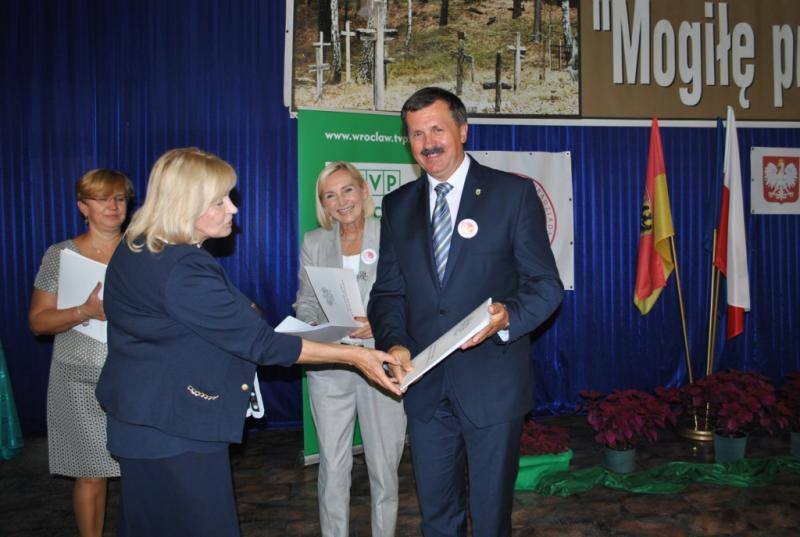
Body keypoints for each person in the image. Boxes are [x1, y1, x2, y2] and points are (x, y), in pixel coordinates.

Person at [94, 147, 401, 537]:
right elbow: (262, 343)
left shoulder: (135, 246)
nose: (233, 209)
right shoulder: (183, 267)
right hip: (178, 428)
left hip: (140, 420)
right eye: (220, 201)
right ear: (187, 204)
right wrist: (354, 357)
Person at [367, 87, 564, 537]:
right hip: (424, 387)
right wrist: (393, 342)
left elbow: (545, 286)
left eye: (437, 130)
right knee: (437, 519)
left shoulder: (512, 194)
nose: (428, 143)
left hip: (492, 386)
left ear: (462, 131)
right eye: (417, 134)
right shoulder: (397, 206)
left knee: (491, 519)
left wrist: (507, 316)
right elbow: (388, 293)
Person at [294, 162, 407, 537]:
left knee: (384, 467)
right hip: (331, 365)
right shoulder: (314, 242)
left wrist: (383, 322)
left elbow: (411, 295)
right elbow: (306, 301)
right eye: (330, 195)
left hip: (383, 364)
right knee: (332, 465)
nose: (341, 201)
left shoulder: (391, 235)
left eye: (347, 190)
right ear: (323, 204)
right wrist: (312, 325)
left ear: (363, 191)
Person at [28, 169, 134, 537]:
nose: (113, 206)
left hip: (137, 376)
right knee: (91, 474)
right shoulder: (60, 255)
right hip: (78, 378)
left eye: (119, 198)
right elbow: (38, 322)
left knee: (144, 470)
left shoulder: (143, 251)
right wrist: (83, 311)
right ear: (82, 207)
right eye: (102, 199)